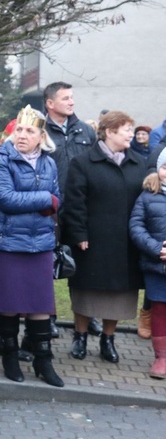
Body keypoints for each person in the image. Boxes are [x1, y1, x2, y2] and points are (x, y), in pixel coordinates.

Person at [0, 106, 63, 387]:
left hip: (39, 243)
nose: (22, 135)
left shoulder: (49, 163)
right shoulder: (0, 158)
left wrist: (44, 201)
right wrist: (43, 200)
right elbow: (5, 198)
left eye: (29, 131)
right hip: (5, 242)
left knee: (40, 303)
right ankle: (10, 355)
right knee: (8, 302)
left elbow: (58, 199)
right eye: (19, 130)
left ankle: (43, 359)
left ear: (41, 136)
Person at [62, 111, 147, 363]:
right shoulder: (83, 162)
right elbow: (74, 203)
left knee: (119, 295)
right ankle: (80, 336)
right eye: (126, 130)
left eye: (132, 129)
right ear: (109, 132)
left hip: (125, 243)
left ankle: (108, 339)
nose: (131, 134)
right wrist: (78, 234)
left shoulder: (138, 164)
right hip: (92, 241)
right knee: (86, 291)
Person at [43, 81, 101, 338]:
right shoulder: (39, 131)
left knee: (84, 268)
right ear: (50, 103)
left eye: (72, 97)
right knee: (46, 266)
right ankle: (47, 317)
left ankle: (88, 317)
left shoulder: (86, 131)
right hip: (49, 211)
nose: (71, 102)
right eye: (65, 98)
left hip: (80, 212)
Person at [129, 150, 166, 379]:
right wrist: (156, 249)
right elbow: (136, 226)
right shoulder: (147, 195)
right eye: (165, 167)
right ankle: (161, 357)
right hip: (157, 266)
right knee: (160, 310)